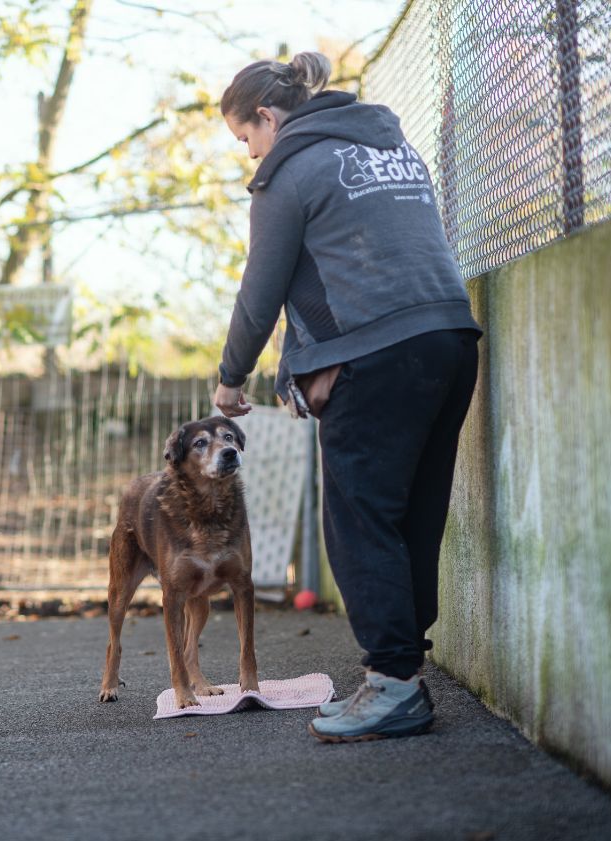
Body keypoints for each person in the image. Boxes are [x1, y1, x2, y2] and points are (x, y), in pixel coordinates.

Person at [211, 52, 482, 742]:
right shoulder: (393, 148)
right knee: (413, 512)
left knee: (359, 516)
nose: (249, 152)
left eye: (246, 137)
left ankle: (393, 685)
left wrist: (231, 376)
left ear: (268, 118)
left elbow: (260, 290)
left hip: (380, 355)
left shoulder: (289, 172)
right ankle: (402, 674)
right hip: (450, 339)